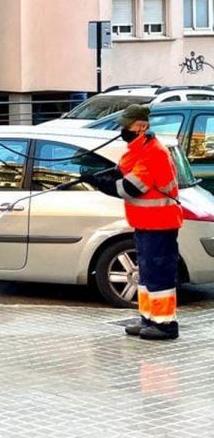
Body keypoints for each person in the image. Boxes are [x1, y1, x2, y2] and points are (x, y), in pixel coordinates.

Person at [91, 104, 182, 340]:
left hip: (160, 225)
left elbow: (131, 187)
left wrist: (103, 184)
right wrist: (100, 175)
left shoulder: (154, 152)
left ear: (141, 127)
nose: (122, 130)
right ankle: (148, 318)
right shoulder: (137, 149)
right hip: (146, 224)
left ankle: (165, 324)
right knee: (147, 273)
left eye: (126, 126)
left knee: (159, 274)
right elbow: (122, 171)